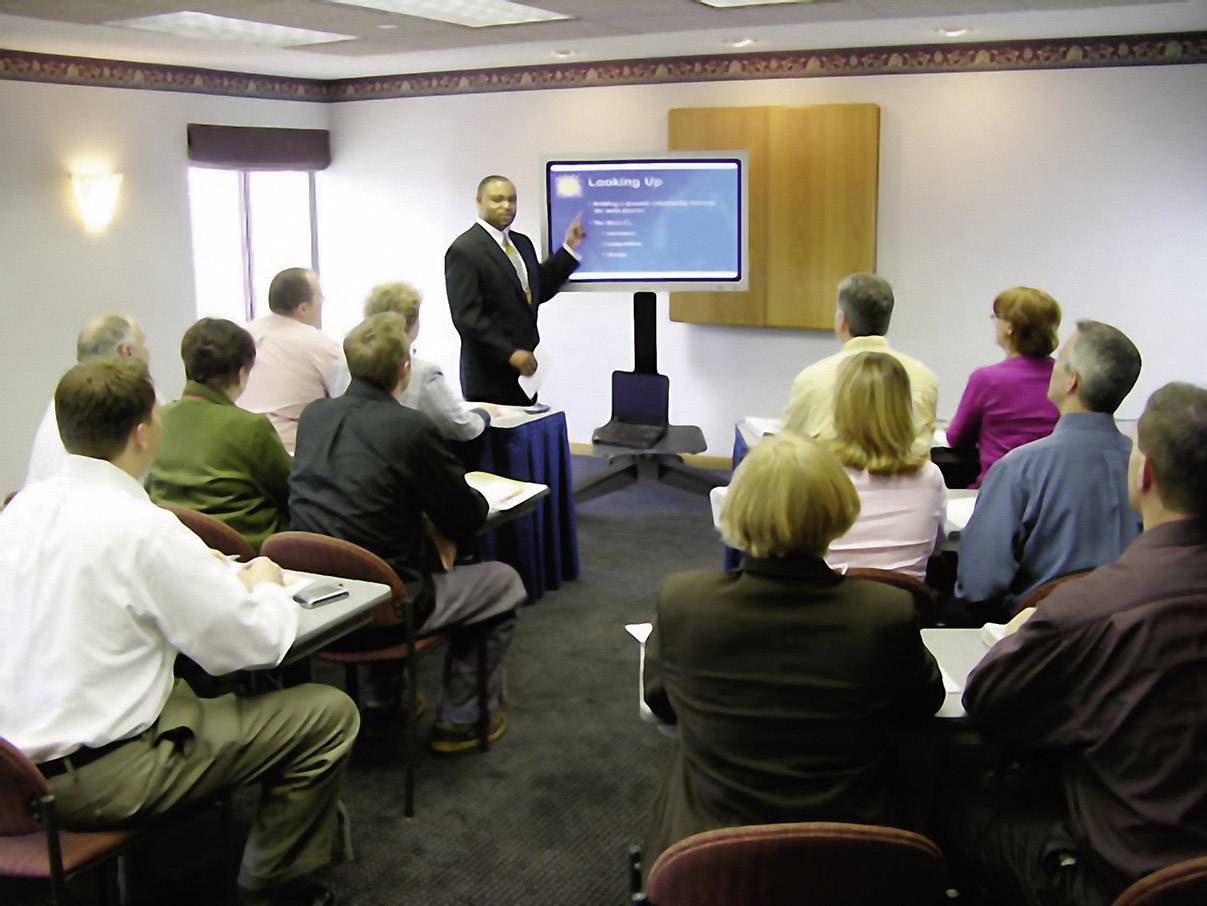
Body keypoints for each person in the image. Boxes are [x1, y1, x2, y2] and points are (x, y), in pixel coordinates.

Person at [0, 358, 358, 906]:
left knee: (189, 696)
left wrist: (192, 566)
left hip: (13, 771)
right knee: (326, 714)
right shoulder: (142, 528)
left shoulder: (18, 513)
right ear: (143, 433)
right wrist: (263, 581)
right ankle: (271, 887)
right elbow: (252, 644)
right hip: (98, 781)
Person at [949, 382, 1207, 906]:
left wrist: (1018, 639)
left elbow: (988, 703)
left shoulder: (1088, 609)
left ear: (1145, 473)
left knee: (960, 806)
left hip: (1117, 880)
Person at [643, 431, 944, 864]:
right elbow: (922, 704)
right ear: (839, 510)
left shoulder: (683, 601)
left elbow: (661, 704)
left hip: (711, 848)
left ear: (735, 509)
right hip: (854, 850)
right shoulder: (885, 611)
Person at [289, 313, 525, 752]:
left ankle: (382, 701)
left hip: (322, 598)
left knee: (371, 550)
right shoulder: (410, 427)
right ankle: (462, 718)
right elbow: (465, 516)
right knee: (502, 583)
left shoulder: (315, 416)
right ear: (404, 369)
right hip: (389, 604)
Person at [956, 320, 1142, 620]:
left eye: (1060, 360)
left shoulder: (1017, 470)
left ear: (1072, 381)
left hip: (1040, 641)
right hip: (1130, 640)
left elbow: (980, 588)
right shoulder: (1149, 472)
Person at [149, 318, 293, 552]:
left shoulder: (158, 419)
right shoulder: (250, 428)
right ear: (240, 374)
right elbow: (291, 492)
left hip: (176, 548)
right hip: (248, 556)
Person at [444, 174, 586, 404]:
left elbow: (539, 288)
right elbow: (467, 318)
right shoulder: (464, 250)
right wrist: (509, 353)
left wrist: (569, 248)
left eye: (512, 199)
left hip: (526, 375)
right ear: (479, 200)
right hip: (487, 377)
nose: (507, 206)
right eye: (497, 199)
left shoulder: (522, 243)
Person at [783, 273, 938, 457]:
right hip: (908, 483)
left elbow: (789, 449)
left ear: (842, 320)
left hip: (832, 484)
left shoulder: (811, 379)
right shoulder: (925, 378)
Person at [825, 352, 947, 579]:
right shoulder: (930, 476)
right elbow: (936, 549)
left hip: (828, 607)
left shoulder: (818, 475)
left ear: (840, 406)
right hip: (904, 608)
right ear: (905, 407)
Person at [946, 287, 1062, 486]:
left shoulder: (986, 379)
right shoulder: (1064, 378)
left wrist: (952, 424)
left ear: (1010, 326)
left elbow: (958, 439)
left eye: (996, 317)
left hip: (998, 489)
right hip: (1050, 492)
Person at [24, 312, 149, 486]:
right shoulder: (115, 405)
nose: (148, 349)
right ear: (126, 351)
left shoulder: (64, 401)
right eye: (143, 342)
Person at [363, 280, 493, 444]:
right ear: (411, 323)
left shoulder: (344, 366)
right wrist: (483, 414)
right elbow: (461, 427)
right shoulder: (422, 373)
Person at [239, 267, 348, 453]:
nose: (322, 303)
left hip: (239, 447)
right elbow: (349, 399)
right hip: (294, 455)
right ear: (303, 308)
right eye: (320, 298)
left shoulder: (243, 335)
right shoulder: (320, 345)